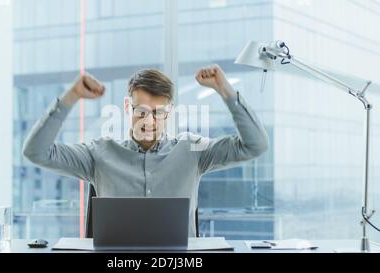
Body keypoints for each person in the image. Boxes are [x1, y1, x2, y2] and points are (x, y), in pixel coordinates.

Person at [22, 64, 269, 237]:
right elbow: (36, 152)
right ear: (128, 107)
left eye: (158, 113)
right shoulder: (99, 153)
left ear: (170, 111)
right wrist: (71, 97)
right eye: (141, 111)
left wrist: (225, 90)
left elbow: (255, 145)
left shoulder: (193, 149)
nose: (149, 122)